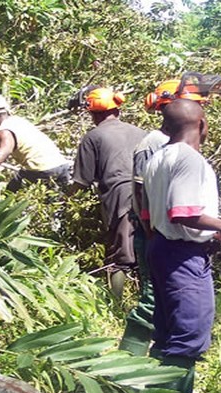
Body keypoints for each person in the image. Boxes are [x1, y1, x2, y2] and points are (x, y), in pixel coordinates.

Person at [143, 98, 221, 393]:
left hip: (160, 247)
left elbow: (146, 213)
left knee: (167, 330)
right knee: (189, 332)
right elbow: (183, 213)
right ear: (202, 124)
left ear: (165, 126)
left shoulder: (156, 158)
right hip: (183, 254)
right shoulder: (189, 160)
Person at [117, 79, 207, 356]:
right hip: (159, 233)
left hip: (165, 231)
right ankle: (127, 362)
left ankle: (151, 367)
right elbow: (142, 192)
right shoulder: (155, 143)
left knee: (166, 304)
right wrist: (153, 231)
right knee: (153, 298)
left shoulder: (171, 145)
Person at [71, 87, 146, 300]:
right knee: (147, 250)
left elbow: (81, 181)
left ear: (93, 114)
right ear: (117, 110)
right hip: (150, 198)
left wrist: (66, 201)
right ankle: (151, 302)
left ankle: (116, 306)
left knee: (120, 256)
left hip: (120, 198)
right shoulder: (141, 133)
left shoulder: (93, 137)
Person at [0, 91, 71, 191]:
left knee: (11, 194)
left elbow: (6, 149)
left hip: (43, 170)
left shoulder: (3, 131)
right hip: (61, 165)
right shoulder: (17, 121)